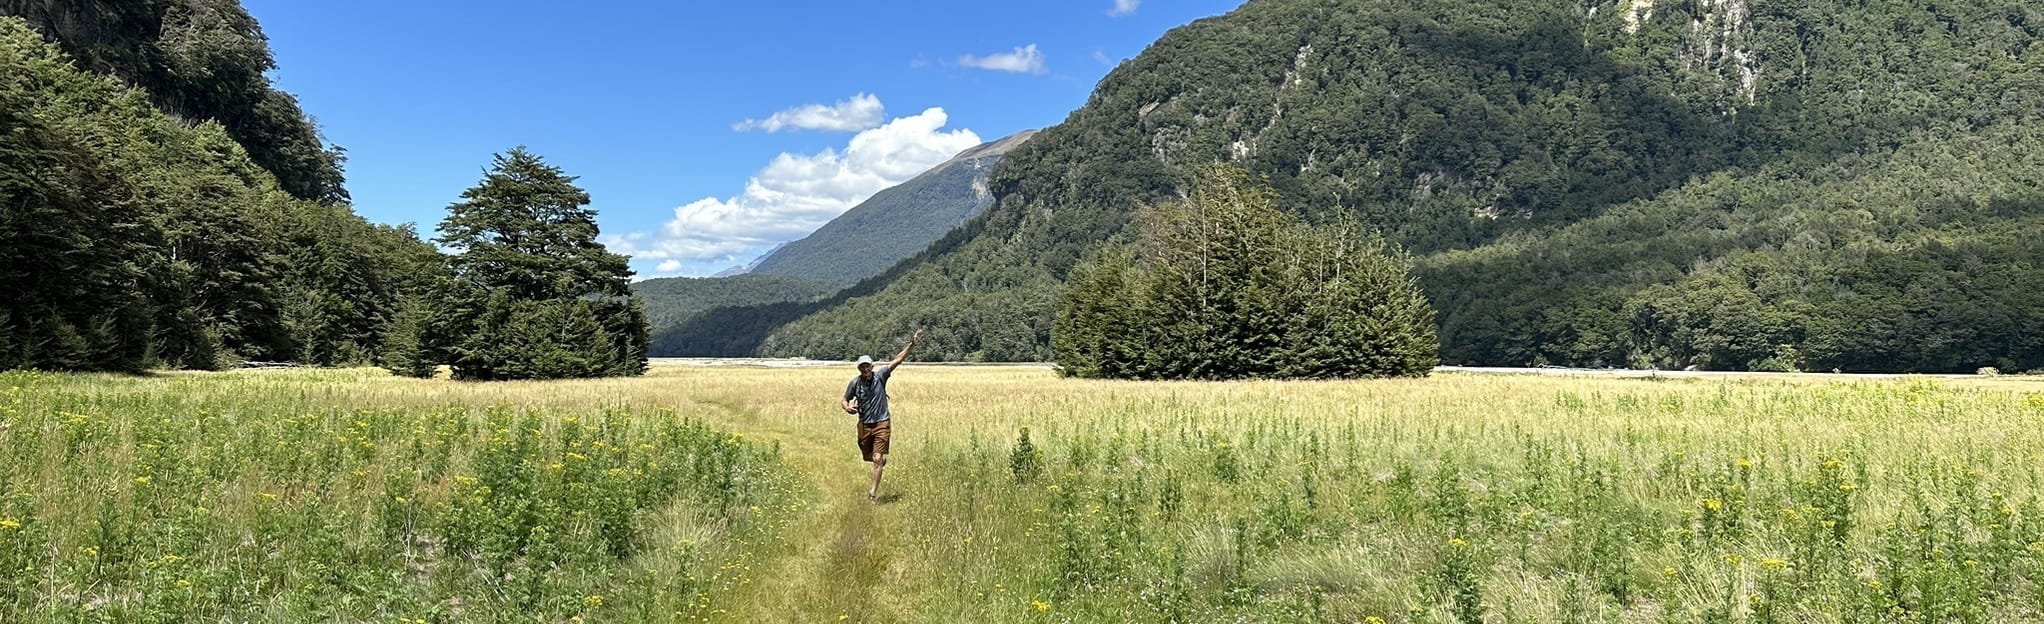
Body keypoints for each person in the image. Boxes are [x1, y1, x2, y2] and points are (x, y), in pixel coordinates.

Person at [842, 329, 922, 500]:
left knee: (877, 458)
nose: (865, 369)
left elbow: (898, 360)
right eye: (862, 366)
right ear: (859, 368)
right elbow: (844, 400)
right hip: (864, 424)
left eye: (867, 366)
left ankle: (873, 493)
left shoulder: (881, 376)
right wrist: (846, 407)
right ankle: (879, 462)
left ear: (872, 366)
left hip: (882, 423)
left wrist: (912, 344)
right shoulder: (855, 383)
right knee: (868, 456)